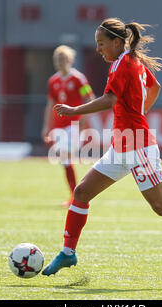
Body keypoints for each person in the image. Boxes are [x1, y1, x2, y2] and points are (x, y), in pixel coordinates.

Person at [42, 18, 162, 276]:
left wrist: (74, 111)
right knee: (81, 193)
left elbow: (110, 98)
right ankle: (68, 253)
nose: (99, 49)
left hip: (137, 144)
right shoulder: (131, 61)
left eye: (101, 44)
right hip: (122, 144)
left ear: (116, 42)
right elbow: (155, 87)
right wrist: (140, 112)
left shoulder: (123, 64)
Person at [42, 45, 95, 207]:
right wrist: (46, 126)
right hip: (59, 126)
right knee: (65, 160)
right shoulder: (53, 81)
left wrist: (84, 117)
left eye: (63, 59)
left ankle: (76, 195)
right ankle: (74, 195)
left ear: (70, 60)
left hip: (74, 124)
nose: (60, 62)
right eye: (57, 59)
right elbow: (50, 103)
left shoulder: (79, 79)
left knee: (66, 155)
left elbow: (90, 97)